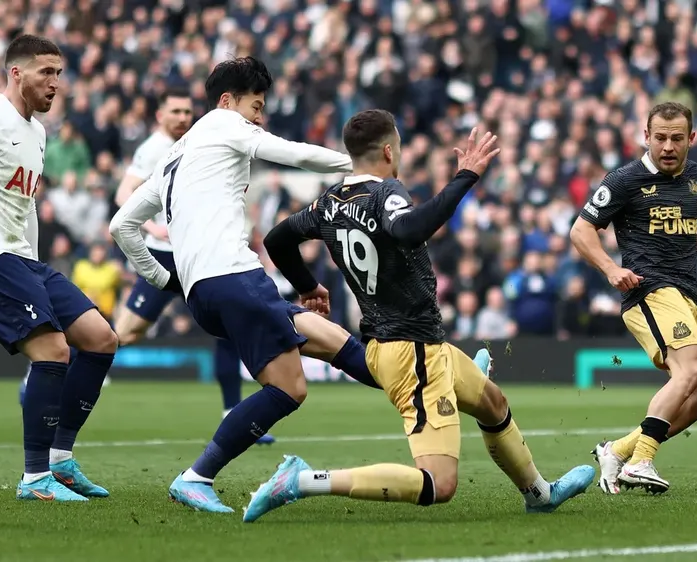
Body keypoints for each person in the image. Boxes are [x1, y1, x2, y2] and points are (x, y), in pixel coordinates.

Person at [248, 109, 594, 523]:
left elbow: (277, 238)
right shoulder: (385, 191)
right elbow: (408, 229)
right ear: (390, 150)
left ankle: (539, 493)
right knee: (438, 484)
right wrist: (465, 176)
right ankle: (304, 481)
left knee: (491, 401)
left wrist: (307, 286)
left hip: (411, 345)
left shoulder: (329, 202)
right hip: (412, 353)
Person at [109, 57, 401, 513]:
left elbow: (122, 225)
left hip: (207, 291)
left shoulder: (173, 156)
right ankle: (196, 476)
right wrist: (363, 166)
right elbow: (297, 154)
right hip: (235, 276)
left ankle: (444, 383)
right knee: (290, 390)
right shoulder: (225, 125)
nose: (259, 118)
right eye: (256, 106)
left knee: (334, 340)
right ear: (228, 102)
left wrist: (165, 278)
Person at [0, 35, 118, 502]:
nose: (57, 83)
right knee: (54, 351)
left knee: (100, 339)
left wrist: (36, 263)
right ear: (16, 74)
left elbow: (26, 206)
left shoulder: (38, 133)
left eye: (59, 73)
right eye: (46, 73)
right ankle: (35, 478)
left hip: (23, 260)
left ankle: (61, 460)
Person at [569, 102, 697, 495]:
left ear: (691, 139)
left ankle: (617, 452)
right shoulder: (624, 180)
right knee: (689, 369)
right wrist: (610, 269)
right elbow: (581, 231)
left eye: (676, 138)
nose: (667, 146)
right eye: (659, 138)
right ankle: (642, 460)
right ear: (646, 137)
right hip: (647, 289)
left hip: (687, 294)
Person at [110, 88, 264, 425]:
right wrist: (151, 227)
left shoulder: (200, 138)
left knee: (228, 332)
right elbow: (124, 192)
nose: (182, 118)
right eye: (175, 111)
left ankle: (231, 412)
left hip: (199, 255)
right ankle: (56, 368)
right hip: (164, 256)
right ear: (159, 115)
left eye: (186, 112)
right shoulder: (152, 149)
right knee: (126, 333)